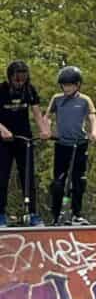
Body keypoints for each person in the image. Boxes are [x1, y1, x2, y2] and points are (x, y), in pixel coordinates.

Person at [46, 66, 96, 226]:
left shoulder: (85, 100)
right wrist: (46, 130)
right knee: (58, 183)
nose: (67, 88)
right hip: (62, 144)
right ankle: (56, 216)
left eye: (70, 85)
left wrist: (94, 132)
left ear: (78, 85)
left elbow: (92, 119)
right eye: (64, 85)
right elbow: (47, 116)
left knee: (79, 181)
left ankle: (77, 214)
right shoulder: (57, 99)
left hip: (80, 145)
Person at [0, 60, 50, 226]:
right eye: (17, 79)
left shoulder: (29, 90)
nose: (20, 82)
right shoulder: (2, 90)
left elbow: (36, 113)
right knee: (2, 177)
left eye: (23, 79)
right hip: (4, 140)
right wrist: (3, 130)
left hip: (24, 139)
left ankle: (32, 213)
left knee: (28, 177)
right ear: (10, 78)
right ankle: (1, 214)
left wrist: (44, 130)